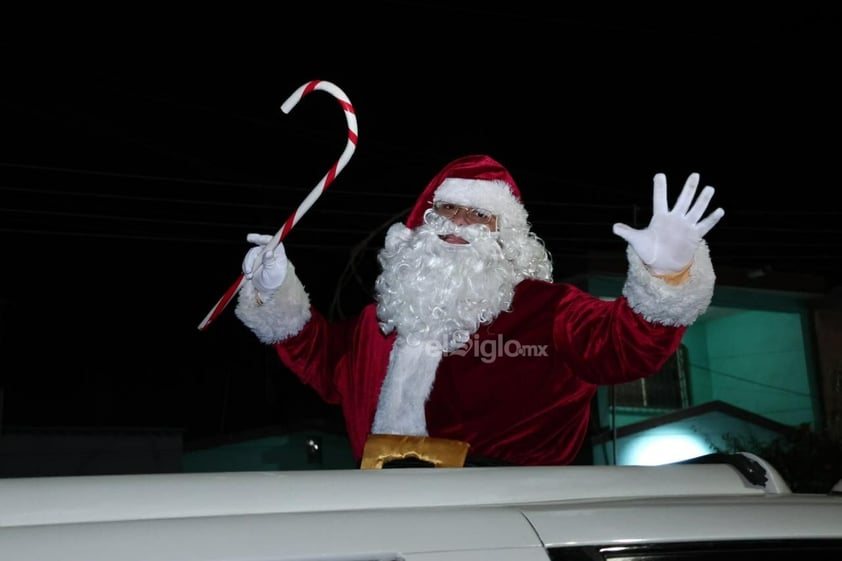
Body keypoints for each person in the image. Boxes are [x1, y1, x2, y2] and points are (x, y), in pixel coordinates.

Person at [234, 154, 724, 466]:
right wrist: (277, 291)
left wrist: (667, 276)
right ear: (422, 224)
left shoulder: (545, 310)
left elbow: (623, 349)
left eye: (478, 215)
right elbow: (320, 358)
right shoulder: (378, 324)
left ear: (504, 238)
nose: (459, 223)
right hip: (386, 516)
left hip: (509, 520)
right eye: (448, 210)